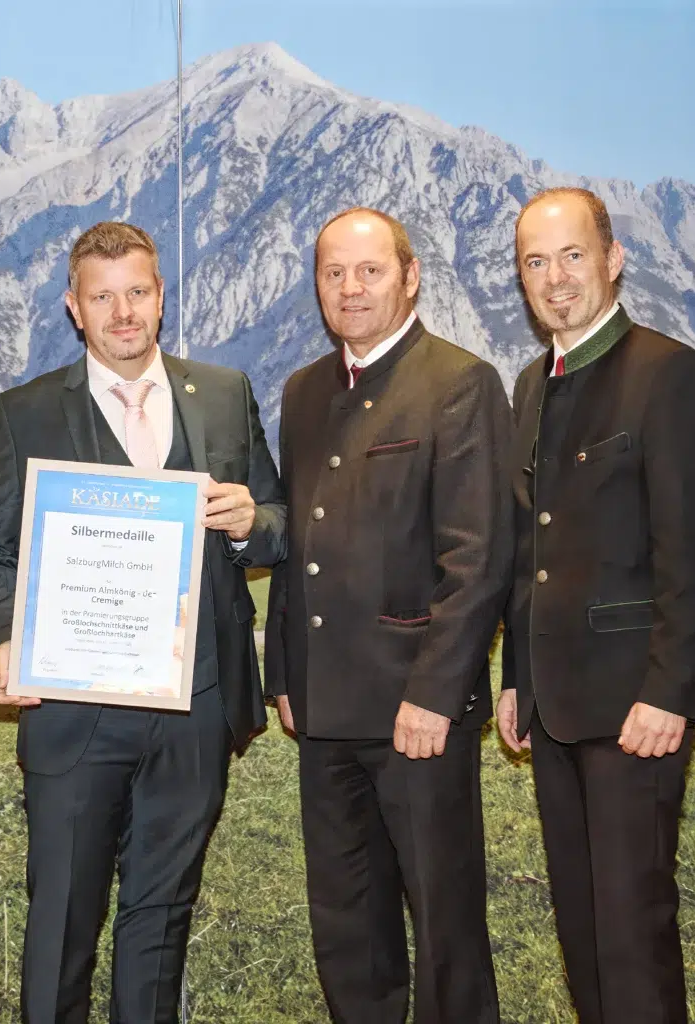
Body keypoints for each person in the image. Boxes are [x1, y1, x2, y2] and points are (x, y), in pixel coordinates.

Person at [0, 221, 286, 1024]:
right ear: (75, 308)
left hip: (195, 708)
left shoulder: (225, 392)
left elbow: (280, 520)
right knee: (61, 922)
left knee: (161, 920)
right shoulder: (27, 410)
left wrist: (251, 521)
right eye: (102, 297)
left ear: (160, 296)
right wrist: (4, 637)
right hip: (74, 709)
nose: (123, 312)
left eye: (136, 292)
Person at [263, 207, 510, 1024]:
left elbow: (475, 559)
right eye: (333, 273)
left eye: (369, 271)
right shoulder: (302, 392)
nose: (350, 287)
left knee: (443, 926)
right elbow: (300, 544)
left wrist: (436, 695)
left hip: (417, 709)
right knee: (346, 925)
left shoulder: (460, 382)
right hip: (325, 709)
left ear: (410, 277)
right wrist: (284, 675)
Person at [499, 187, 695, 1024]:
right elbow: (531, 555)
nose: (556, 279)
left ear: (612, 258)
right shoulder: (531, 385)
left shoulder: (667, 373)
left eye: (571, 256)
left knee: (632, 931)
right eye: (536, 262)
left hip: (637, 705)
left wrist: (674, 693)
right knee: (582, 929)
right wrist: (514, 678)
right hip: (555, 707)